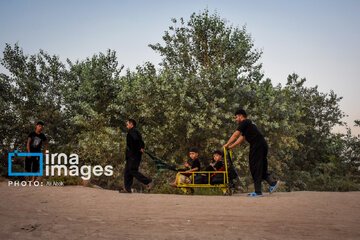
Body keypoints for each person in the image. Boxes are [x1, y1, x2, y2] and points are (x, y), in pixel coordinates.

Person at [223, 109, 279, 197]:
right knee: (261, 166)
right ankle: (272, 182)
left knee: (255, 167)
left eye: (236, 117)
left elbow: (235, 135)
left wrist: (226, 144)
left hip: (257, 145)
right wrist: (231, 147)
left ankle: (258, 192)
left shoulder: (245, 122)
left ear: (241, 116)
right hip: (262, 145)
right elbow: (241, 138)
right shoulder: (249, 124)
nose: (236, 119)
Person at [120, 119, 153, 193]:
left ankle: (148, 181)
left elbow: (137, 141)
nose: (127, 125)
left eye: (127, 124)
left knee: (132, 170)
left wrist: (140, 148)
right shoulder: (134, 132)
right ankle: (127, 189)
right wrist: (141, 147)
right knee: (127, 172)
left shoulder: (133, 132)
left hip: (134, 155)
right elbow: (141, 142)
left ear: (131, 124)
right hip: (131, 155)